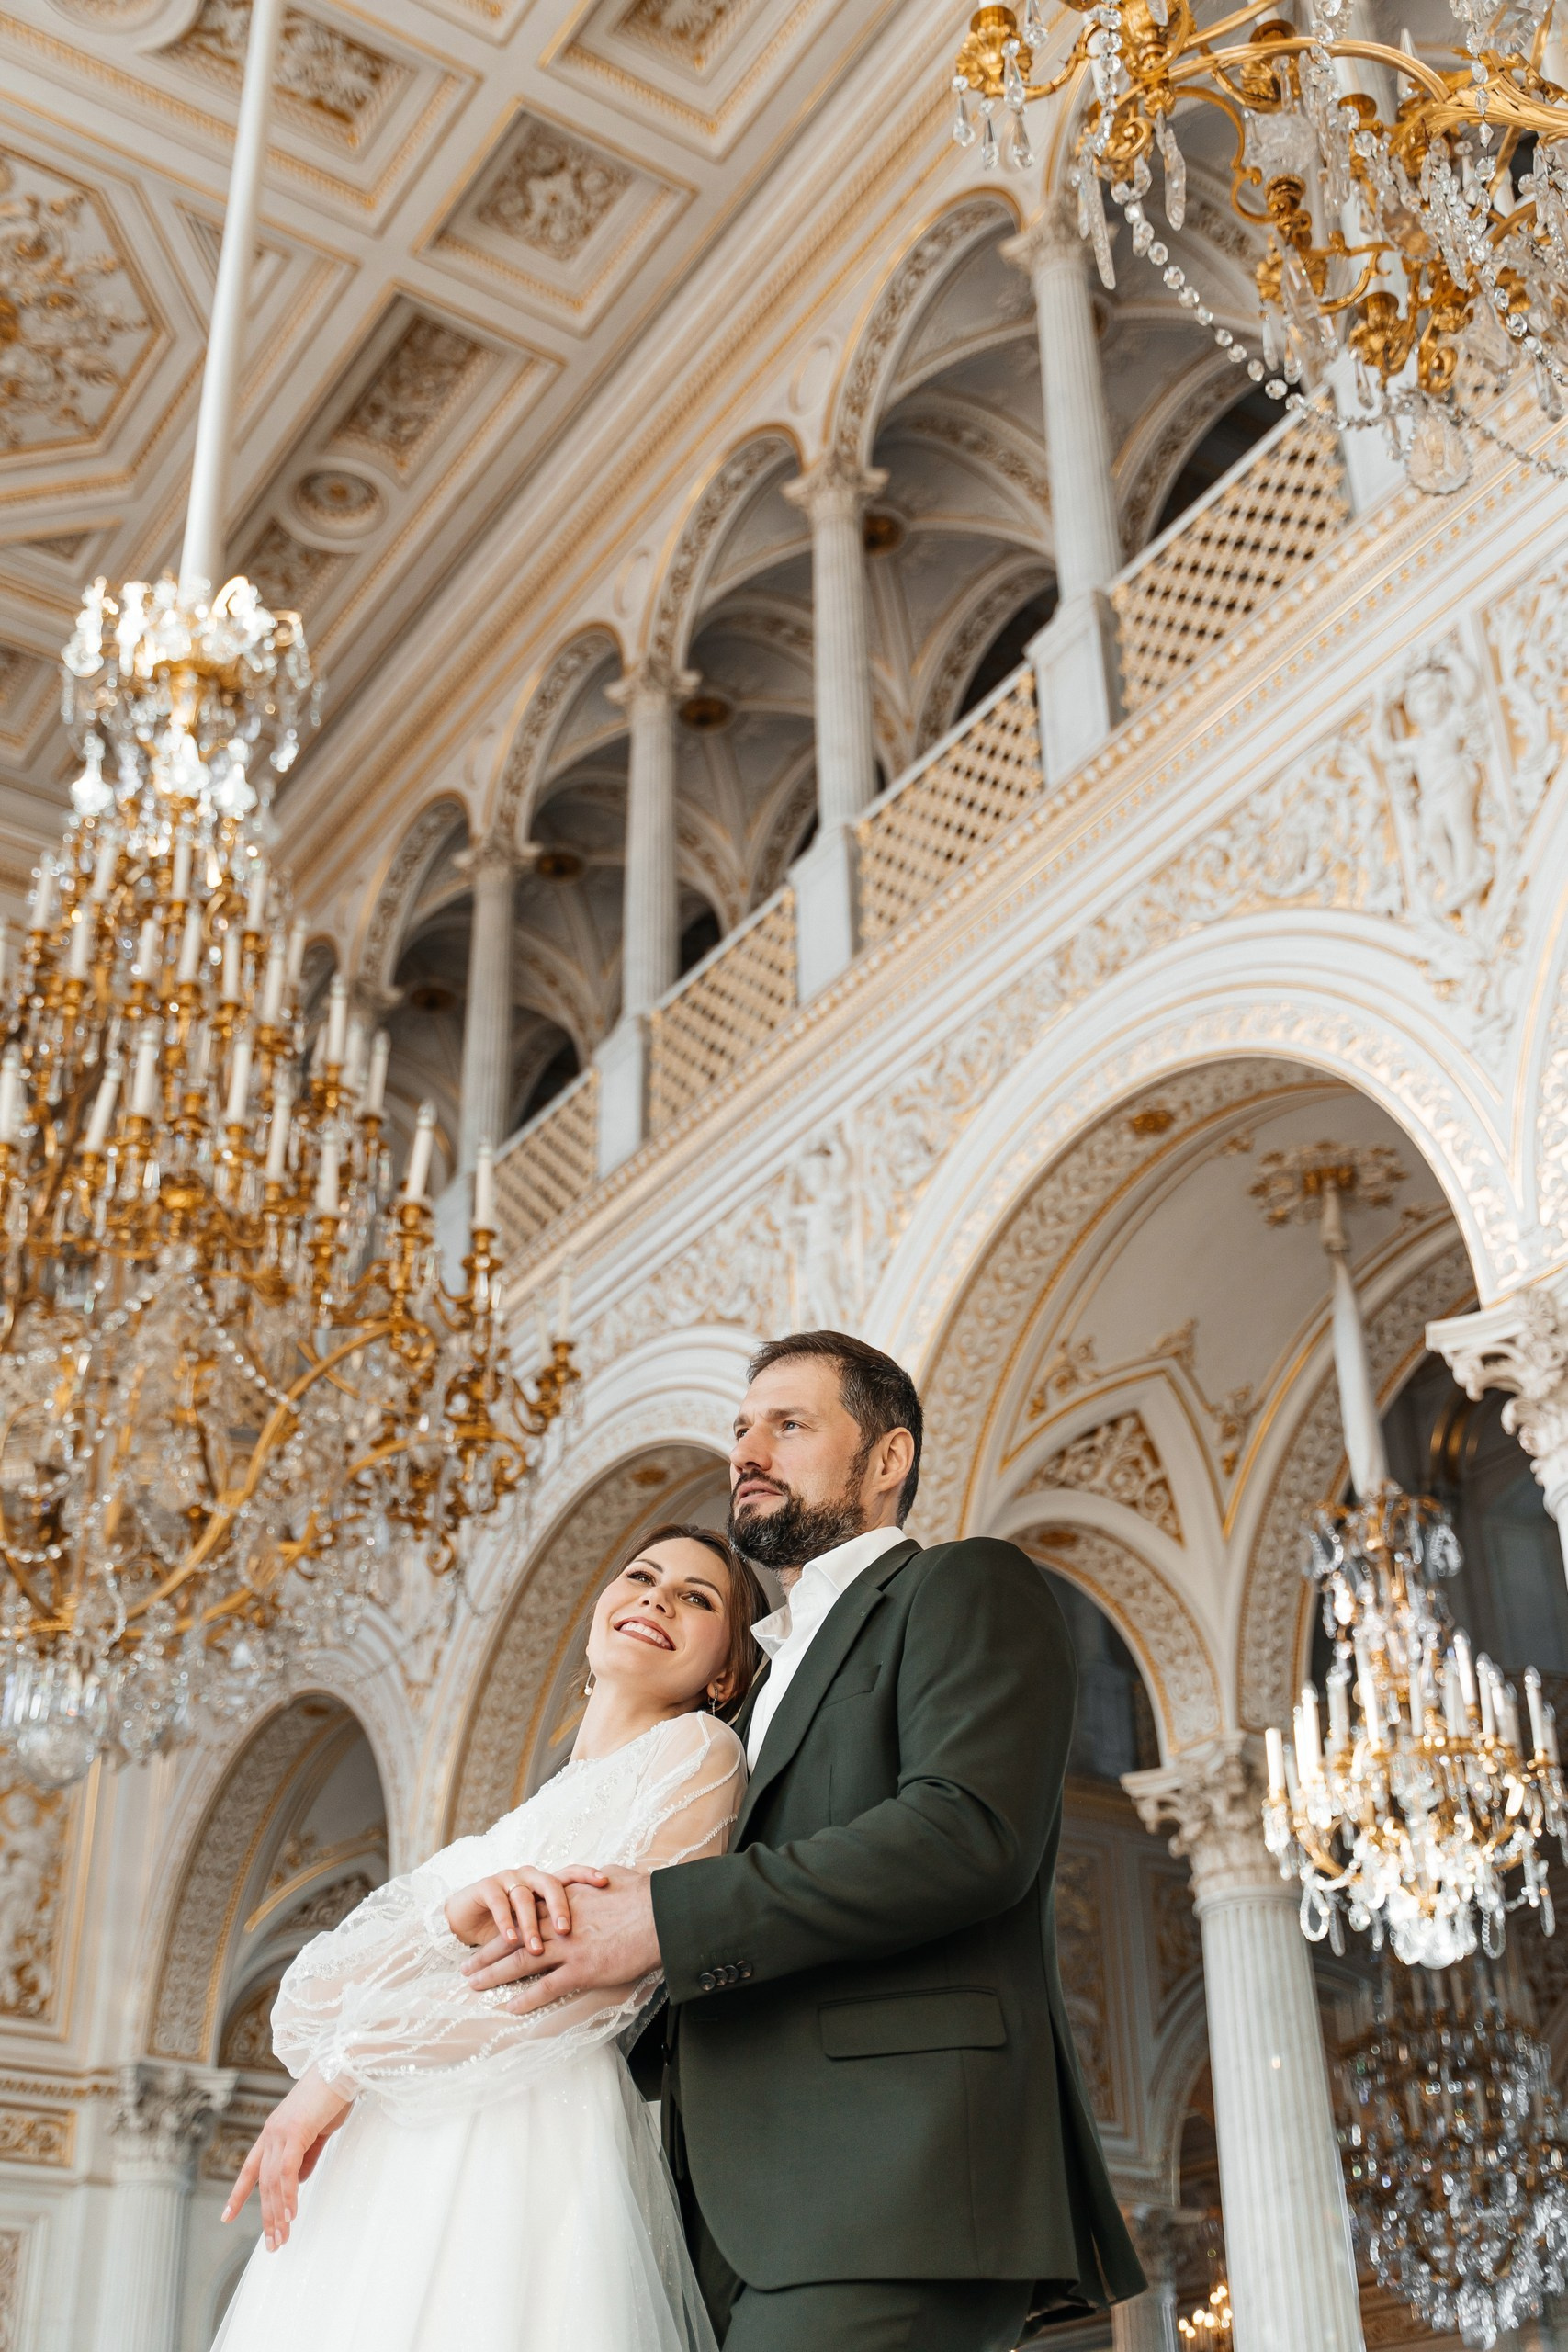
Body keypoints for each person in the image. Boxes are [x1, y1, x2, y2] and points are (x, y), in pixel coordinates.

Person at [460, 1330, 1146, 2352]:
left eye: (788, 1425)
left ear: (886, 1460)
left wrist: (657, 1919)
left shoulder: (961, 1587)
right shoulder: (745, 1697)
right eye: (740, 1429)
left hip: (887, 2179)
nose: (747, 1451)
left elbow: (967, 1834)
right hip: (719, 2210)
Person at [213, 1524, 763, 2352]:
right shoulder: (506, 1830)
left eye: (697, 1597)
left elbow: (584, 1996)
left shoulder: (697, 1751)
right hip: (397, 2149)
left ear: (724, 1671)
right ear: (598, 1615)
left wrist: (347, 2069)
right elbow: (306, 2003)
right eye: (641, 1575)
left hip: (527, 2142)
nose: (657, 1596)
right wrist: (449, 1917)